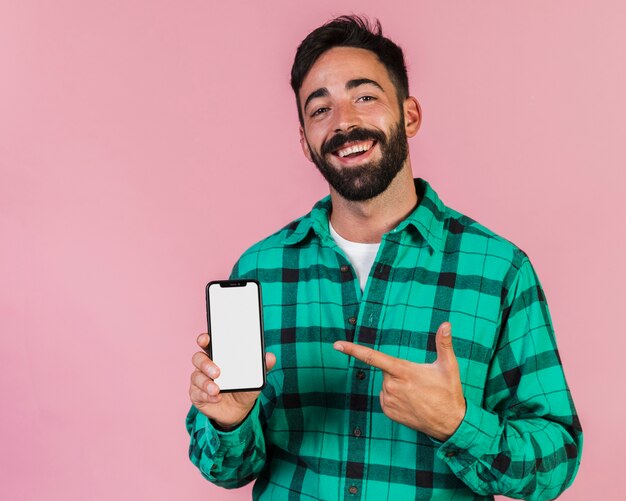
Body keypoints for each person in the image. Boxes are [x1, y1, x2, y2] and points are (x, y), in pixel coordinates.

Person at [187, 15, 582, 500]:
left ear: (410, 115)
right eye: (319, 110)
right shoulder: (260, 270)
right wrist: (230, 423)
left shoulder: (499, 270)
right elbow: (224, 469)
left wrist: (458, 424)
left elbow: (556, 458)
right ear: (304, 141)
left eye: (365, 96)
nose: (343, 122)